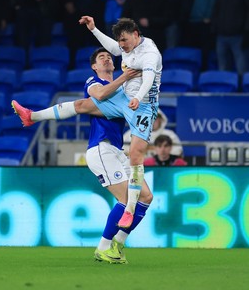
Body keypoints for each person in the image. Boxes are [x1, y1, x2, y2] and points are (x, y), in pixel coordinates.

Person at [12, 15, 162, 229]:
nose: (120, 47)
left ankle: (129, 209)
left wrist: (138, 98)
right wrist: (93, 29)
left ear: (136, 35)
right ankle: (32, 116)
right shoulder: (123, 50)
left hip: (144, 105)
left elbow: (147, 79)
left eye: (124, 41)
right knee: (82, 105)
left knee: (137, 155)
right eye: (119, 42)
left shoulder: (150, 54)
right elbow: (113, 48)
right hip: (123, 98)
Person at [84, 47, 153, 263]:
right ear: (94, 66)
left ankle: (118, 245)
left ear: (114, 64)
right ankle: (102, 248)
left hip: (117, 150)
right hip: (100, 148)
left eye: (108, 57)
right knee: (126, 199)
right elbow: (101, 95)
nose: (105, 59)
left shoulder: (124, 90)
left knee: (145, 196)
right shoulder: (93, 82)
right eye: (100, 57)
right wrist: (125, 76)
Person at [211, 0, 249, 76]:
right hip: (221, 36)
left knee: (241, 70)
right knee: (223, 71)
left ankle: (243, 95)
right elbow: (217, 8)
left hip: (239, 36)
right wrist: (214, 27)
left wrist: (246, 33)